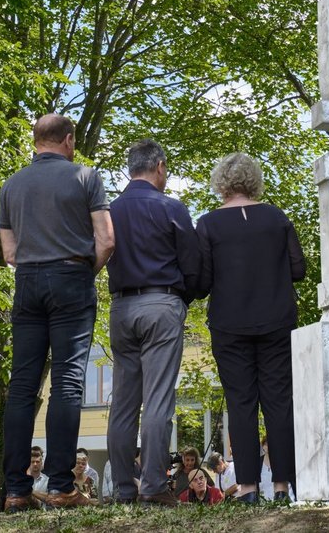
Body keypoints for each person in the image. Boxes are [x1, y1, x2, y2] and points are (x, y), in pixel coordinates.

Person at [0, 114, 114, 511]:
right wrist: (85, 272)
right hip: (71, 277)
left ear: (35, 142)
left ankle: (14, 489)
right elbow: (107, 238)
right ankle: (61, 485)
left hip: (27, 282)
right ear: (68, 140)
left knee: (21, 386)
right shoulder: (86, 176)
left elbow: (9, 253)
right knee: (67, 382)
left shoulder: (11, 185)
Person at [194, 153, 305, 504]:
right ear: (255, 180)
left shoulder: (208, 224)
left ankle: (246, 488)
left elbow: (202, 281)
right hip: (277, 320)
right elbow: (298, 269)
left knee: (240, 402)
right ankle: (283, 485)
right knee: (279, 402)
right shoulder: (277, 218)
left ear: (221, 184)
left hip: (230, 325)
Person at [106, 140, 200, 508]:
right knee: (159, 399)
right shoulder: (171, 208)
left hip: (121, 307)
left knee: (124, 402)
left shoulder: (109, 210)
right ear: (159, 166)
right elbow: (192, 264)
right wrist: (182, 298)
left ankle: (122, 488)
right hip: (161, 303)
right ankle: (153, 486)